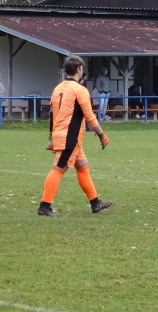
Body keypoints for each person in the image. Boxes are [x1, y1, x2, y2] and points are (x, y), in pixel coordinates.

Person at [37, 55, 111, 217]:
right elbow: (90, 116)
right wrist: (101, 134)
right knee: (58, 168)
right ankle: (44, 206)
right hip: (70, 136)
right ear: (79, 69)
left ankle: (95, 202)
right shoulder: (79, 90)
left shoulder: (58, 88)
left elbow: (52, 114)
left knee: (82, 165)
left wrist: (51, 135)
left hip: (63, 134)